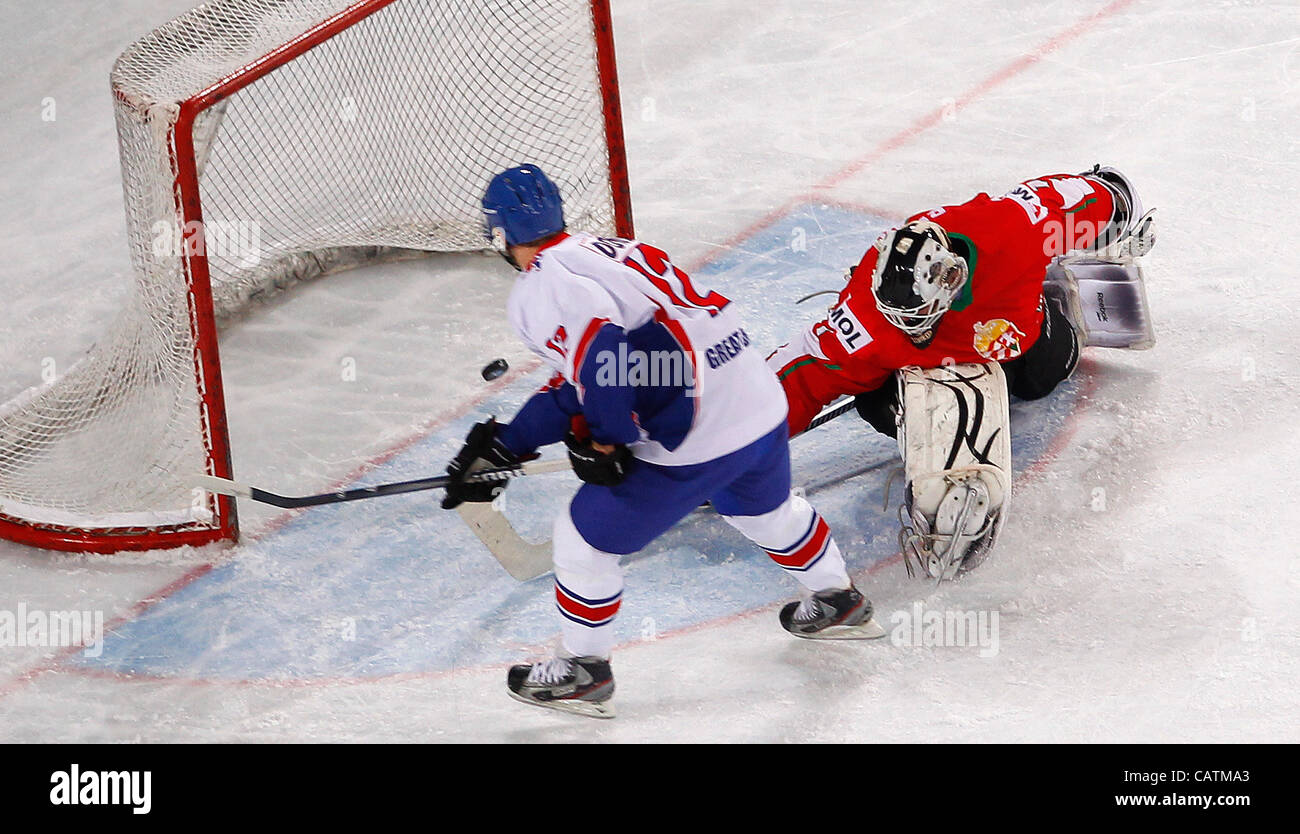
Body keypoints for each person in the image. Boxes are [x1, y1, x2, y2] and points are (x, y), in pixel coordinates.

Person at [440, 165, 883, 719]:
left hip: (698, 434)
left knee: (580, 542)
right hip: (759, 404)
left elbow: (603, 357)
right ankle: (838, 599)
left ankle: (582, 671)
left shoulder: (542, 286)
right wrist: (511, 443)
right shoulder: (611, 250)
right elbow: (596, 369)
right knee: (763, 511)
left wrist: (608, 440)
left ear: (501, 232)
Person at [769, 166, 1155, 579]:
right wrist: (731, 443)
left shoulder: (1010, 229)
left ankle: (1058, 295)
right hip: (907, 372)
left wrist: (1115, 202)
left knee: (1040, 376)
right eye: (901, 319)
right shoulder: (865, 318)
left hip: (1019, 336)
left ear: (951, 278)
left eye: (918, 317)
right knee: (881, 405)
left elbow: (1074, 198)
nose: (911, 330)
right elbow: (802, 372)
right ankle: (920, 429)